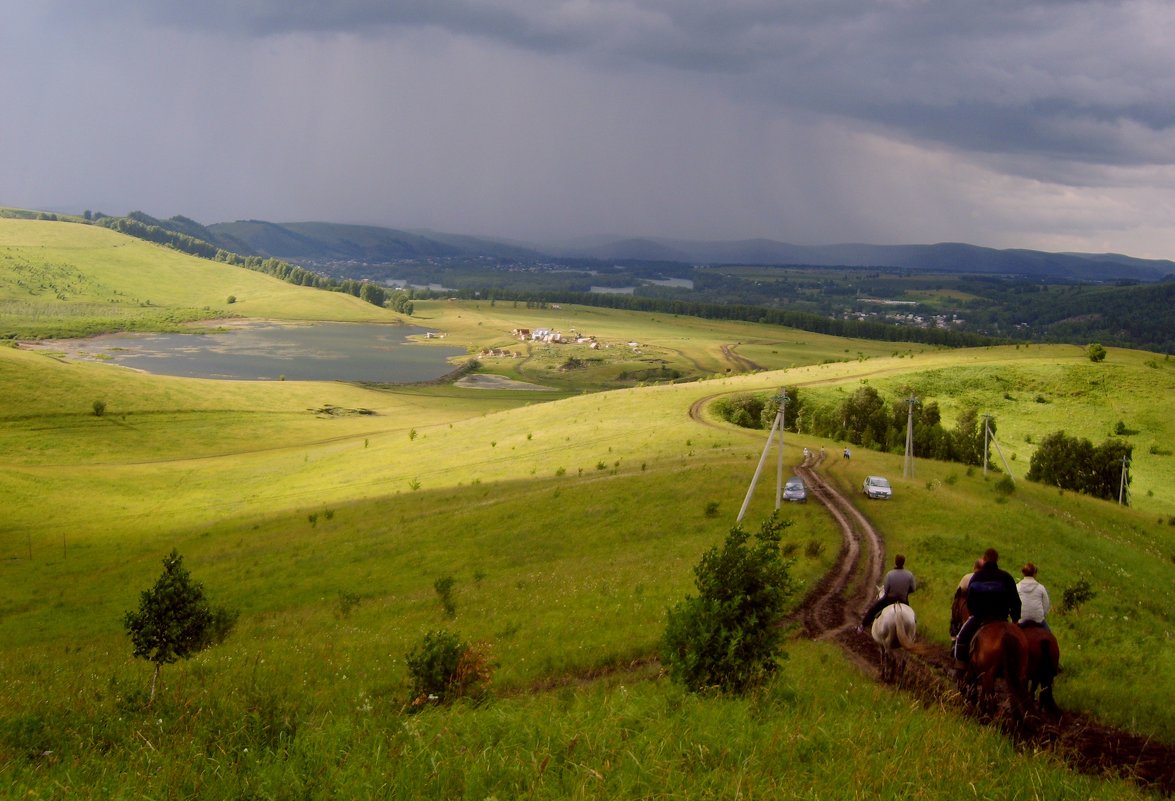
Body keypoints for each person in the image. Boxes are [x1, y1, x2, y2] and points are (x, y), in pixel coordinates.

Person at [953, 548, 1021, 664]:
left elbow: (970, 601)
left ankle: (961, 666)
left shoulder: (977, 577)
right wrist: (1015, 619)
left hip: (980, 617)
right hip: (1001, 617)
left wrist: (974, 613)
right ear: (997, 560)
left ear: (984, 559)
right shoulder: (1006, 577)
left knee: (961, 639)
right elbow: (1015, 601)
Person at [861, 554, 917, 631]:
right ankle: (914, 628)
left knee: (873, 609)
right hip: (903, 600)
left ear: (895, 562)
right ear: (904, 562)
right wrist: (905, 592)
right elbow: (913, 589)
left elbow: (886, 589)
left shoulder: (890, 574)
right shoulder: (909, 575)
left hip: (889, 600)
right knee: (912, 615)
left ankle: (862, 626)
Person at [1017, 562, 1051, 631]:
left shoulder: (1017, 587)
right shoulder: (1041, 587)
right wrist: (1041, 615)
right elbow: (1046, 604)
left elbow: (1013, 603)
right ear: (1034, 573)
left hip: (1021, 619)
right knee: (1050, 635)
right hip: (1038, 619)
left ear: (1023, 573)